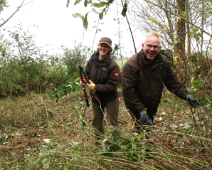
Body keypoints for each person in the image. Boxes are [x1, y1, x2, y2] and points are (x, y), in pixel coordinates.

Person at [121, 32, 199, 128]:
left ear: (159, 48)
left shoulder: (163, 62)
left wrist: (186, 95)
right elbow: (128, 91)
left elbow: (172, 82)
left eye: (155, 46)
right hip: (137, 106)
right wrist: (141, 110)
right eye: (149, 46)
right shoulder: (132, 65)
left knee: (147, 131)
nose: (152, 49)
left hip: (152, 105)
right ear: (143, 46)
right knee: (142, 130)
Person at [84, 37, 120, 140]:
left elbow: (112, 86)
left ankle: (116, 146)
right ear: (98, 46)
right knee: (97, 122)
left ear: (110, 49)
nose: (103, 48)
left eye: (106, 46)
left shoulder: (113, 65)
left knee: (113, 123)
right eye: (101, 45)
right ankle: (99, 145)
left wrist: (95, 87)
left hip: (110, 99)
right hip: (95, 98)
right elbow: (86, 75)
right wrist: (84, 82)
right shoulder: (91, 61)